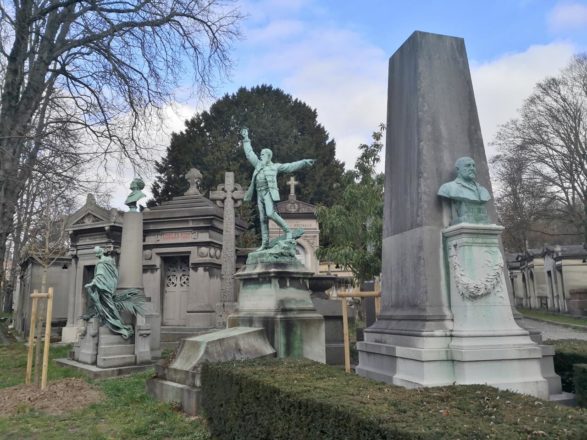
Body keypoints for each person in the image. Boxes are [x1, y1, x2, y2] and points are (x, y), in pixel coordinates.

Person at [241, 127, 315, 250]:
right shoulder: (258, 164)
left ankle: (288, 231)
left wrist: (303, 162)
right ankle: (264, 243)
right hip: (259, 194)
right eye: (261, 154)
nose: (260, 156)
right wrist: (246, 139)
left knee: (270, 213)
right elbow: (249, 154)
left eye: (263, 154)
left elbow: (290, 166)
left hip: (268, 193)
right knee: (262, 219)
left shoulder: (275, 167)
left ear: (269, 156)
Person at [83, 246, 134, 338]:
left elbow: (100, 275)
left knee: (108, 305)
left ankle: (119, 325)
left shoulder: (101, 263)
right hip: (108, 286)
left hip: (103, 287)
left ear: (98, 254)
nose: (96, 255)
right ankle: (112, 322)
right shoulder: (110, 260)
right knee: (107, 305)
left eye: (96, 253)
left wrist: (93, 283)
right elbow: (114, 273)